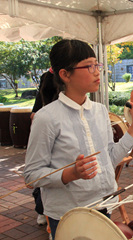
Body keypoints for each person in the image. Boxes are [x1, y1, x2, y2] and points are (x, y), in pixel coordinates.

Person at [24, 39, 133, 239]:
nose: (97, 71)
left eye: (97, 65)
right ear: (65, 74)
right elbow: (31, 175)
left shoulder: (100, 111)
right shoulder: (46, 118)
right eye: (89, 66)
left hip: (104, 205)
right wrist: (69, 174)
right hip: (69, 214)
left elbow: (109, 160)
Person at [30, 71, 61, 233]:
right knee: (44, 173)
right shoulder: (46, 77)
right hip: (45, 127)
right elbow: (38, 102)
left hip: (57, 124)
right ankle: (41, 210)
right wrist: (37, 115)